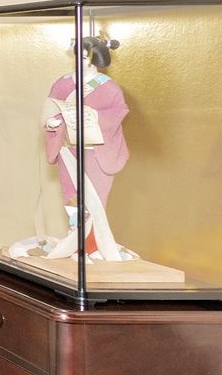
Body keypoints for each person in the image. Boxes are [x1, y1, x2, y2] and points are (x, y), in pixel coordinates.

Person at [9, 36, 135, 264]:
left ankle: (93, 245)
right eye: (78, 55)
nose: (81, 60)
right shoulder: (63, 84)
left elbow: (119, 111)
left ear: (95, 58)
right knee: (73, 200)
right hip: (69, 150)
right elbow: (49, 109)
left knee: (97, 201)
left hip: (98, 152)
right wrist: (51, 124)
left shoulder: (109, 87)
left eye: (86, 57)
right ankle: (77, 247)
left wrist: (94, 116)